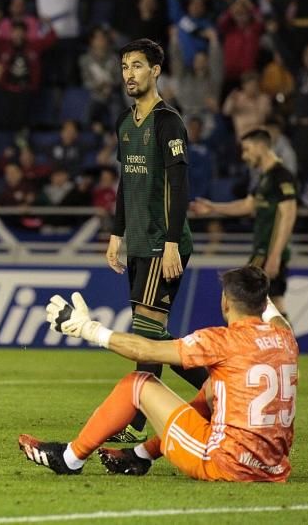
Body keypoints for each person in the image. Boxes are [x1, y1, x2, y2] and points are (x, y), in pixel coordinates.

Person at [20, 266, 297, 482]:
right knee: (214, 388)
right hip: (272, 467)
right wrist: (260, 293)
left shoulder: (222, 341)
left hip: (226, 463)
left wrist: (88, 329)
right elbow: (278, 320)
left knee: (138, 383)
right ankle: (141, 455)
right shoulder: (286, 338)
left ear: (226, 302)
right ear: (263, 303)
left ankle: (70, 458)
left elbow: (146, 351)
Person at [104, 38, 208, 442]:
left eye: (137, 66)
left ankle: (138, 421)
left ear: (156, 71)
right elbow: (125, 183)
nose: (129, 74)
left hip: (163, 243)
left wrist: (169, 242)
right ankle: (218, 394)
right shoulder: (124, 122)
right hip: (138, 242)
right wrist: (117, 233)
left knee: (146, 335)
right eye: (125, 66)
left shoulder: (168, 122)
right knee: (149, 335)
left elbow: (179, 186)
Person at [191, 129, 298, 315]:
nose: (244, 155)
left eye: (247, 149)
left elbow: (288, 214)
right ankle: (283, 341)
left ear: (260, 147)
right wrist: (213, 208)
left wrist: (275, 255)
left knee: (244, 298)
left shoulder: (281, 176)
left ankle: (254, 341)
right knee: (273, 303)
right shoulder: (265, 178)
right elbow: (247, 206)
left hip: (267, 252)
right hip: (263, 251)